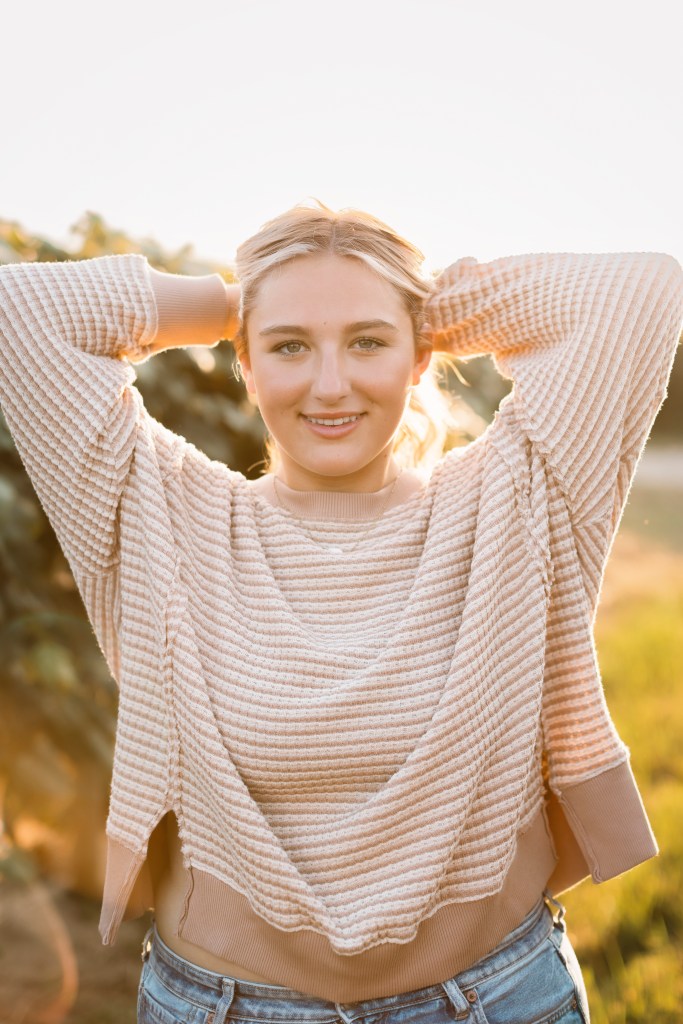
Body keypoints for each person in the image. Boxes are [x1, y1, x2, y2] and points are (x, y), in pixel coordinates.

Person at [1, 200, 681, 1024]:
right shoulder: (161, 517)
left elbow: (643, 292)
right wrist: (232, 303)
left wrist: (422, 306)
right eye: (288, 347)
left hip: (497, 999)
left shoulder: (515, 497)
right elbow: (19, 312)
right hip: (223, 1008)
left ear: (418, 359)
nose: (331, 385)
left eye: (368, 342)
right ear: (244, 364)